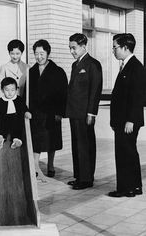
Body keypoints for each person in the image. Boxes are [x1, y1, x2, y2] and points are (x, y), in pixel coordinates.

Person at [108, 33, 146, 198]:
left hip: (128, 120)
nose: (113, 50)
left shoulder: (136, 67)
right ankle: (135, 186)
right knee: (129, 152)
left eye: (115, 47)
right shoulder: (127, 65)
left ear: (125, 47)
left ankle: (126, 188)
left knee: (125, 153)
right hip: (123, 120)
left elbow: (138, 96)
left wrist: (131, 120)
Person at [27, 39, 68, 181]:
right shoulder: (31, 72)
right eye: (36, 54)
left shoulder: (58, 71)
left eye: (42, 53)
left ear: (48, 53)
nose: (39, 57)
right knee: (36, 140)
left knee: (52, 139)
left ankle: (51, 165)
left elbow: (63, 93)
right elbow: (27, 93)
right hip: (36, 113)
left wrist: (59, 112)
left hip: (52, 112)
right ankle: (35, 166)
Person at [66, 33, 102, 190]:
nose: (72, 51)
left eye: (74, 48)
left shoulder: (93, 64)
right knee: (76, 145)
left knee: (85, 145)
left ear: (83, 46)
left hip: (85, 113)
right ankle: (79, 176)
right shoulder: (75, 65)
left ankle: (87, 179)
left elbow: (95, 90)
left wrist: (91, 113)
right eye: (70, 48)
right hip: (74, 112)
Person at [0, 77, 31, 149]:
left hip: (16, 119)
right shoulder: (0, 100)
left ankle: (16, 140)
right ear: (2, 90)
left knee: (18, 128)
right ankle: (1, 138)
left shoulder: (19, 99)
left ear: (16, 90)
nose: (10, 92)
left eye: (12, 90)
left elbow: (24, 107)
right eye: (7, 90)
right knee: (2, 129)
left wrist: (26, 112)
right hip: (4, 119)